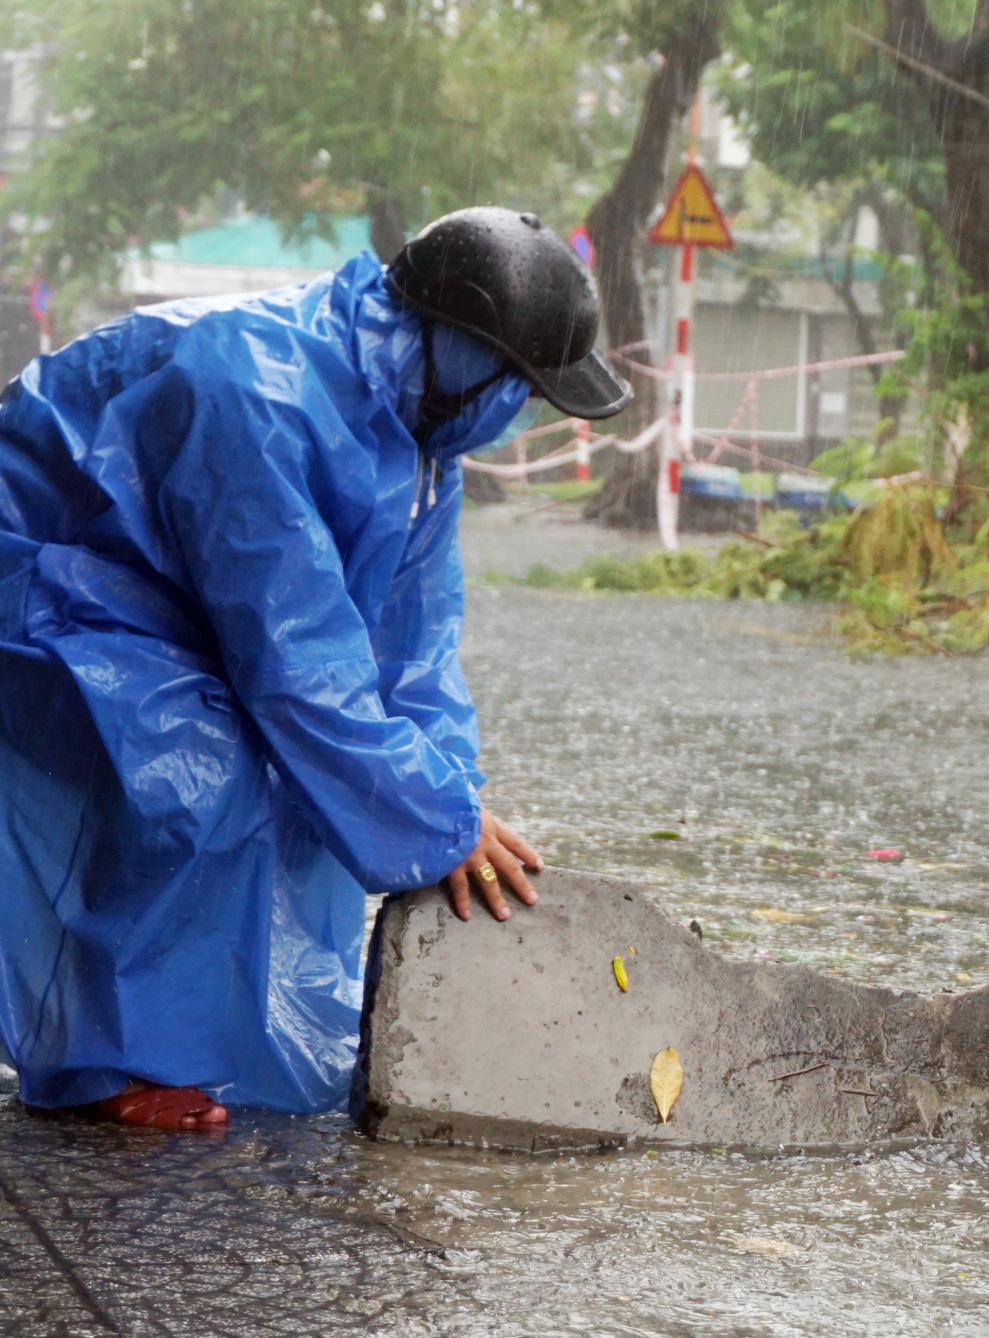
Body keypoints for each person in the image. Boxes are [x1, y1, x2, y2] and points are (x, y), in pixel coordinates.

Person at [0, 208, 632, 1131]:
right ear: (464, 355)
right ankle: (113, 1065)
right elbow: (295, 663)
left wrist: (453, 809)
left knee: (338, 782)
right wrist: (427, 815)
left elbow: (412, 654)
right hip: (40, 578)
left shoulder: (421, 438)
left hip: (143, 587)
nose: (519, 412)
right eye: (521, 387)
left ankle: (217, 1037)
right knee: (199, 750)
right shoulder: (254, 392)